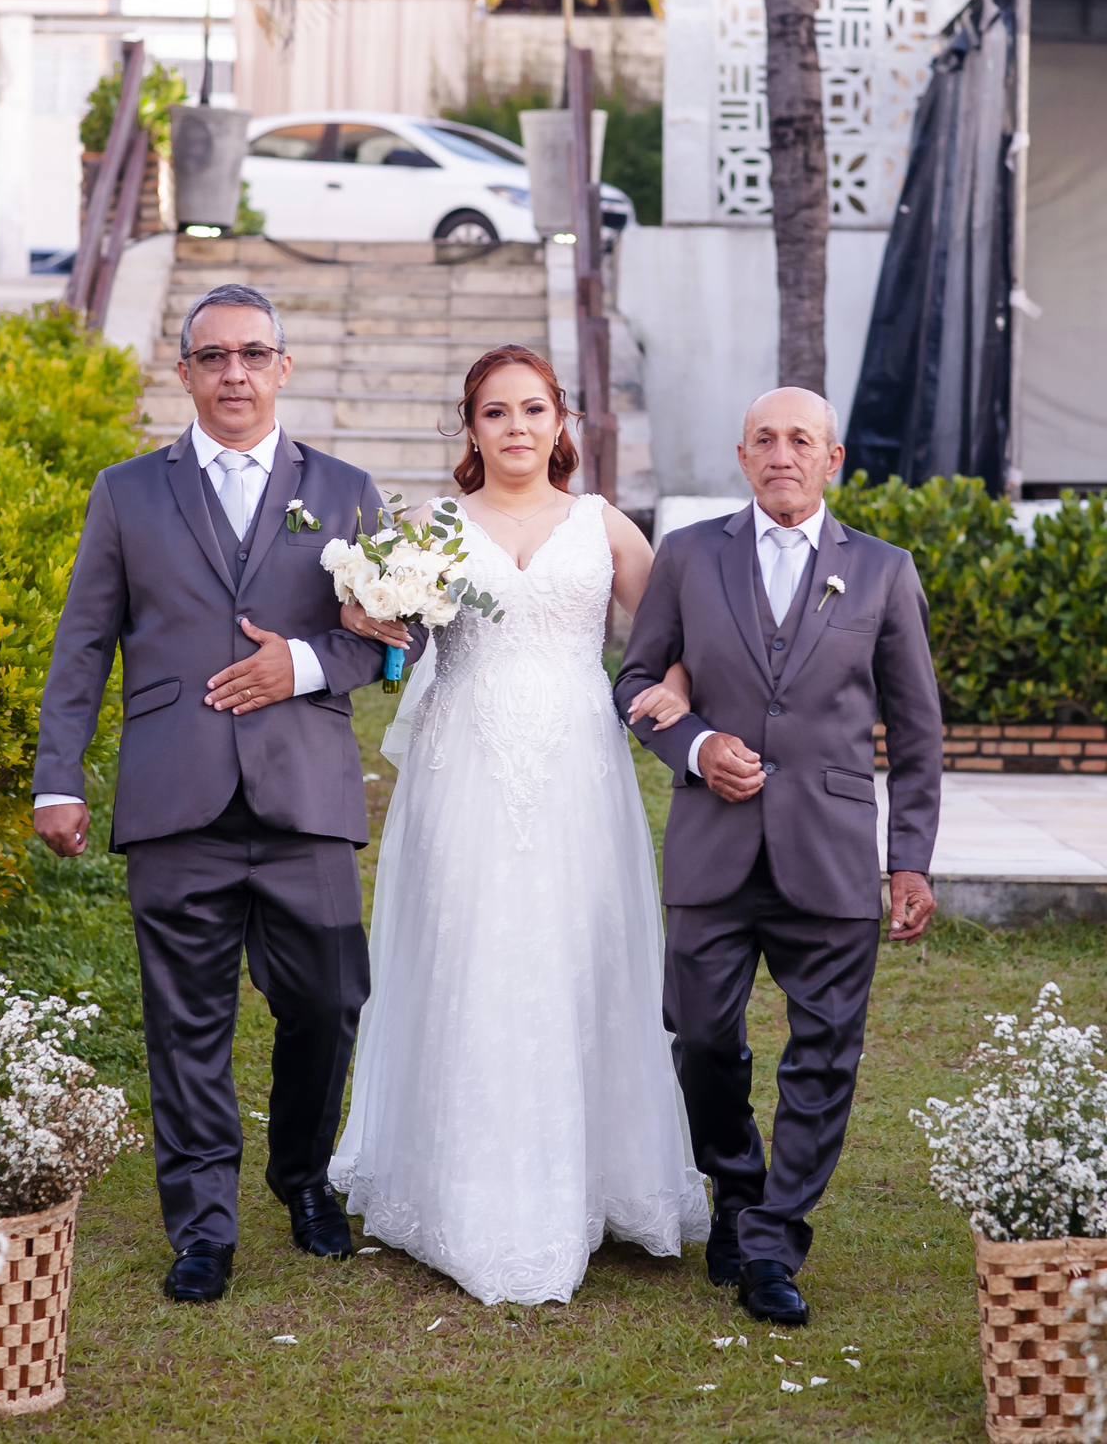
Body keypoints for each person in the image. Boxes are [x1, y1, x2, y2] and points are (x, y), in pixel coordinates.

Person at [31, 282, 424, 1304]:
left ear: (284, 367)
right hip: (176, 796)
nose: (235, 373)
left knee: (331, 1002)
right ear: (186, 370)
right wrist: (56, 780)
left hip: (305, 792)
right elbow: (83, 645)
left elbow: (395, 639)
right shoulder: (128, 491)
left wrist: (299, 666)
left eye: (254, 354)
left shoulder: (343, 489)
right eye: (214, 356)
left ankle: (301, 1179)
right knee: (185, 1021)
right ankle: (202, 1226)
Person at [330, 344, 711, 1306]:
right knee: (472, 953)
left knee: (579, 952)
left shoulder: (604, 526)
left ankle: (595, 1181)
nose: (515, 428)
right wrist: (373, 613)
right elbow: (378, 630)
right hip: (466, 767)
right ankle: (462, 1189)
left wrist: (671, 691)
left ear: (561, 422)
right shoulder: (429, 526)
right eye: (494, 413)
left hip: (579, 769)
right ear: (470, 426)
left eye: (532, 410)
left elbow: (678, 641)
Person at [614, 387, 942, 1326]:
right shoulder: (687, 556)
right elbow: (636, 680)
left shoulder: (882, 572)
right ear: (742, 455)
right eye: (766, 439)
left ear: (833, 459)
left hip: (833, 854)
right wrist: (695, 747)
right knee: (705, 1041)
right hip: (714, 850)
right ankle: (736, 1184)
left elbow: (917, 730)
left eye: (803, 440)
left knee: (825, 1057)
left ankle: (770, 1242)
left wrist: (909, 858)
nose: (783, 454)